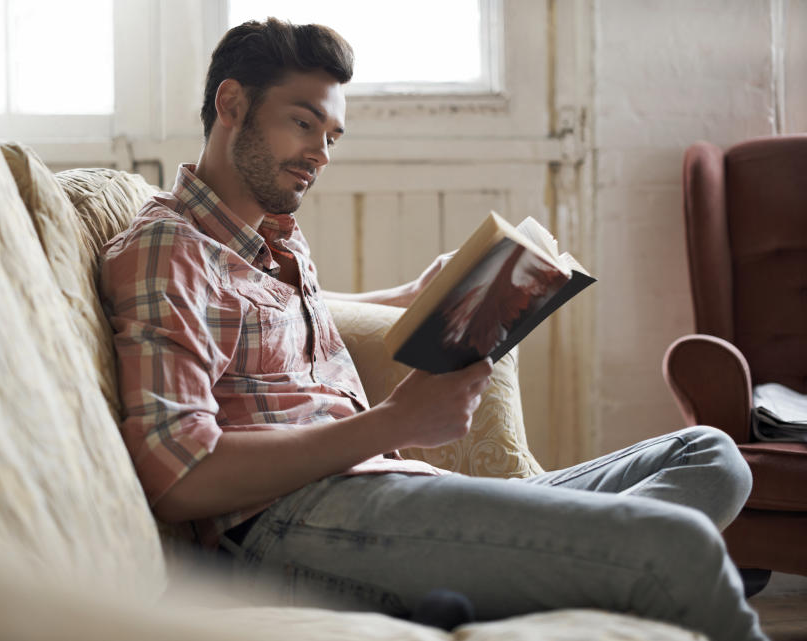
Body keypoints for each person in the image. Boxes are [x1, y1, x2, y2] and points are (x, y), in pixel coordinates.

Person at [99, 18, 766, 641]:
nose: (320, 154)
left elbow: (248, 310)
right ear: (232, 104)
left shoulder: (266, 238)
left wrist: (411, 296)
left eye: (331, 136)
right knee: (680, 544)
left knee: (713, 457)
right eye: (303, 123)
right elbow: (179, 473)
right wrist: (394, 421)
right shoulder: (167, 248)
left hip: (392, 490)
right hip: (295, 522)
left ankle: (526, 581)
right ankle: (589, 573)